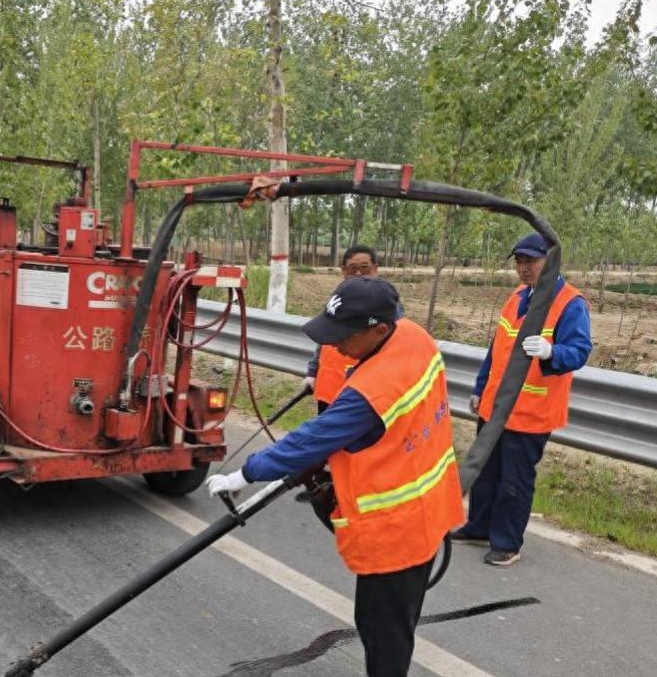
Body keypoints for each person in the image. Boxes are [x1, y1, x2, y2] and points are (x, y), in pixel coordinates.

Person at [208, 276, 464, 677]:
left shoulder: (371, 389)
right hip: (429, 505)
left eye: (343, 336)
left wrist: (246, 473)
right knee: (397, 621)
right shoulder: (415, 338)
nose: (333, 345)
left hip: (396, 530)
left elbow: (310, 440)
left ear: (378, 329)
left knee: (382, 630)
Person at [455, 232, 591, 566]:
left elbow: (578, 351)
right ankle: (479, 526)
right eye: (519, 261)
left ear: (551, 261)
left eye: (530, 260)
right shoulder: (517, 296)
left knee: (514, 480)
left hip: (530, 412)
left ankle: (507, 543)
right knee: (486, 473)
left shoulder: (570, 303)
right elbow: (496, 348)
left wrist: (551, 351)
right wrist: (479, 387)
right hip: (495, 406)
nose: (523, 268)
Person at [305, 246, 381, 411]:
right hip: (328, 386)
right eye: (353, 268)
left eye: (364, 267)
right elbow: (324, 333)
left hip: (358, 392)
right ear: (344, 271)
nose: (359, 273)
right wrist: (313, 371)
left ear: (375, 269)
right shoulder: (339, 296)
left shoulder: (384, 303)